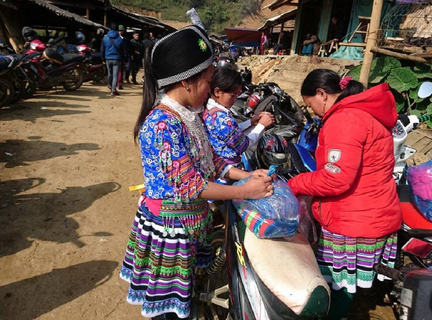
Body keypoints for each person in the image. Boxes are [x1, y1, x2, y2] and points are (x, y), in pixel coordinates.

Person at [120, 25, 273, 320]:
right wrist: (245, 191)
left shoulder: (190, 114)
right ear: (186, 82)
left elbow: (210, 159)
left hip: (190, 223)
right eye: (206, 82)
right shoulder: (163, 124)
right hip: (170, 231)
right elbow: (191, 185)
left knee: (186, 296)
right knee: (171, 311)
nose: (209, 90)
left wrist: (245, 176)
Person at [288, 69, 402, 320]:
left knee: (341, 286)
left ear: (322, 94)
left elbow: (335, 178)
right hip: (373, 213)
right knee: (346, 285)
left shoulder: (345, 120)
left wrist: (296, 184)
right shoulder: (365, 114)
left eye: (310, 104)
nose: (314, 111)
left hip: (353, 220)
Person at [203, 66, 274, 166]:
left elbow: (232, 131)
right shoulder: (222, 119)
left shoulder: (211, 111)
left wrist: (251, 122)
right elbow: (243, 145)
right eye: (233, 95)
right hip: (228, 170)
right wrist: (261, 126)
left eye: (237, 95)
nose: (235, 99)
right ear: (217, 92)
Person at [101, 22, 124, 96]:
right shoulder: (120, 39)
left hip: (107, 58)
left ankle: (110, 85)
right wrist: (123, 59)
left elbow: (102, 49)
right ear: (117, 30)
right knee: (115, 75)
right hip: (117, 59)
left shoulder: (105, 37)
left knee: (109, 73)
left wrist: (102, 59)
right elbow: (122, 50)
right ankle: (113, 90)